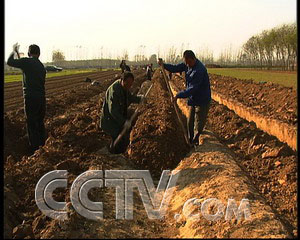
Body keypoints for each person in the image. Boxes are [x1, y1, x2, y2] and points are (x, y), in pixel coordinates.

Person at [158, 50, 211, 145]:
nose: (187, 65)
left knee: (198, 126)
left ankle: (196, 145)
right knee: (189, 122)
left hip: (202, 100)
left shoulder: (199, 70)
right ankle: (190, 142)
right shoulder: (187, 64)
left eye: (189, 63)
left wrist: (178, 95)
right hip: (193, 99)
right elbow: (175, 68)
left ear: (193, 59)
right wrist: (164, 65)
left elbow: (192, 89)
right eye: (186, 63)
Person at [7, 43, 47, 153]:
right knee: (39, 123)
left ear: (29, 53)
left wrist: (14, 52)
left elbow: (10, 62)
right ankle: (43, 147)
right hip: (41, 99)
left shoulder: (26, 62)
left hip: (31, 98)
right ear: (39, 54)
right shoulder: (41, 66)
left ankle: (35, 150)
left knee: (31, 124)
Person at [100, 72, 143, 154]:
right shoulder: (114, 91)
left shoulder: (124, 87)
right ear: (122, 80)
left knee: (122, 138)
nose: (129, 87)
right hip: (110, 121)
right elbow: (113, 111)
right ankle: (115, 156)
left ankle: (120, 152)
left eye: (131, 85)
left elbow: (130, 97)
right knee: (117, 139)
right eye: (127, 84)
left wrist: (140, 99)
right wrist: (124, 122)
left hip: (118, 118)